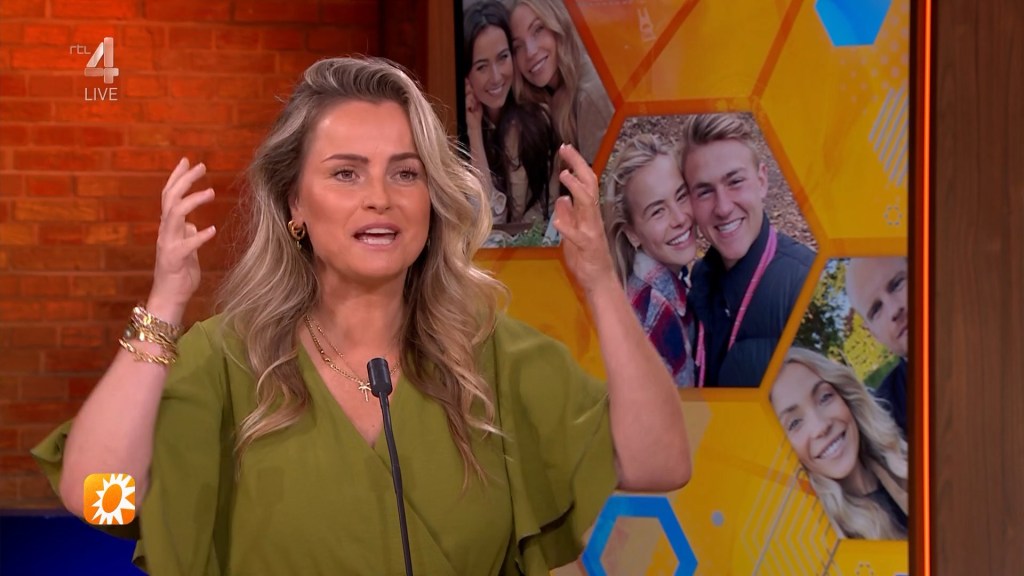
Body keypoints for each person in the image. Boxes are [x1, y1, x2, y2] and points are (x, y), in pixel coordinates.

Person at [31, 57, 690, 575]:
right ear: (294, 204)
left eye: (405, 174)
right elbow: (99, 497)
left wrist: (601, 284)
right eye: (346, 174)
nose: (380, 198)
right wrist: (165, 304)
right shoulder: (226, 361)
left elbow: (660, 463)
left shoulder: (494, 357)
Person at [681, 113, 814, 387]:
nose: (723, 207)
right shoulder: (701, 279)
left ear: (762, 181)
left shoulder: (806, 285)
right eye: (704, 191)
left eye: (735, 182)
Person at [771, 347, 908, 540]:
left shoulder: (909, 457)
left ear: (845, 396)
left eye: (825, 397)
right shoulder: (824, 541)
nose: (821, 427)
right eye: (794, 423)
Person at [604, 134, 697, 387]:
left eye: (681, 196)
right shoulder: (655, 313)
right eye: (658, 211)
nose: (680, 218)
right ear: (632, 233)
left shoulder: (669, 285)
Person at [463, 0, 560, 226]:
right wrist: (474, 130)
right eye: (482, 67)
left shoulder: (536, 122)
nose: (496, 77)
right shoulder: (458, 129)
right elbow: (482, 221)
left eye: (503, 57)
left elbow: (537, 225)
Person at [508, 0, 614, 165]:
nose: (530, 52)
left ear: (558, 24)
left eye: (538, 30)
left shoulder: (589, 95)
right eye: (518, 46)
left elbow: (603, 179)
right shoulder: (547, 97)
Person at [845, 257, 909, 435]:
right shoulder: (886, 421)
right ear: (873, 333)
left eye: (896, 285)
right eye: (876, 309)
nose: (894, 310)